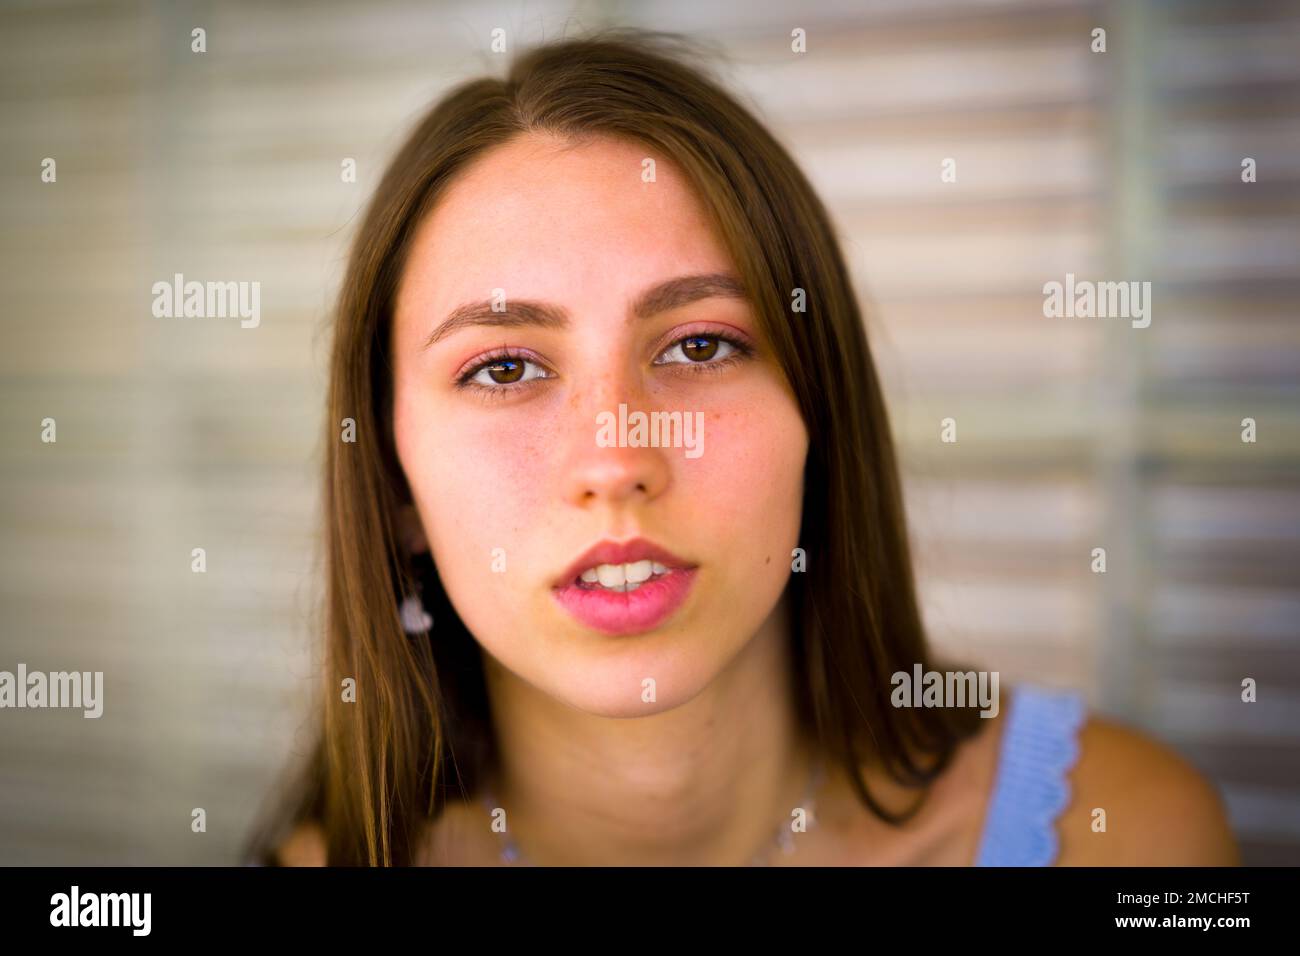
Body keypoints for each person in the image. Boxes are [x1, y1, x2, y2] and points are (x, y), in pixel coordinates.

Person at [246, 30, 1238, 867]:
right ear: (393, 483)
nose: (616, 457)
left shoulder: (1130, 833)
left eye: (700, 345)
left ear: (818, 410)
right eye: (505, 369)